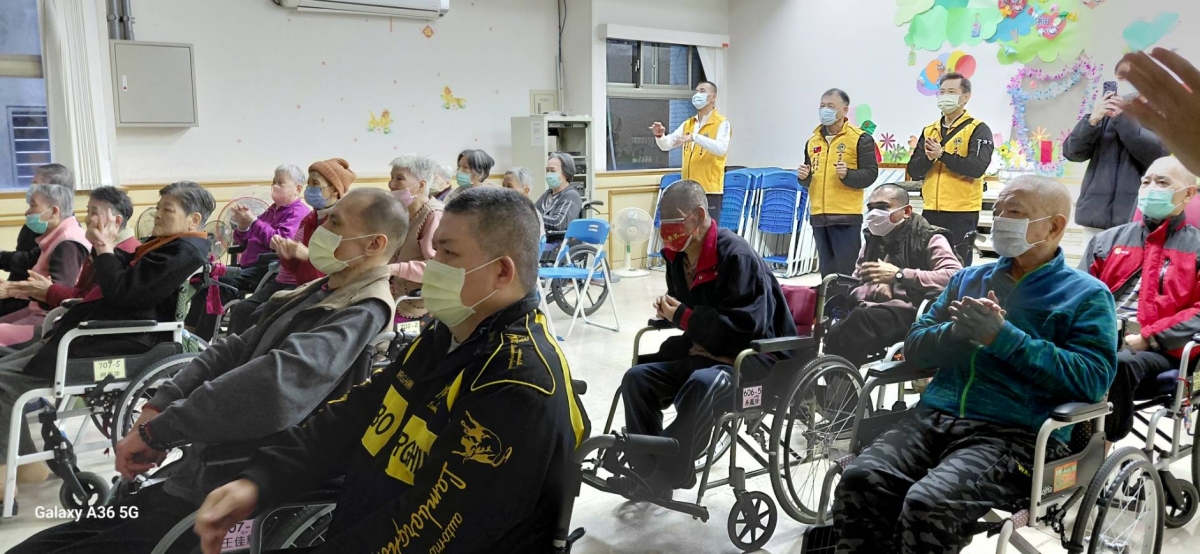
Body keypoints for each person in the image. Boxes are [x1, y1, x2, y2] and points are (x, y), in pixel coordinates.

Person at [9, 189, 405, 554]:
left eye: (335, 222)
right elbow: (231, 350)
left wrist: (162, 430)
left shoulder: (363, 311)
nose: (320, 228)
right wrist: (158, 407)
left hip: (237, 478)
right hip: (203, 468)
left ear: (374, 244)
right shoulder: (319, 290)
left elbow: (272, 387)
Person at [193, 187, 587, 554]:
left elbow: (428, 527)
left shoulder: (518, 384)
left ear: (502, 271)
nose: (432, 266)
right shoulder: (446, 336)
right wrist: (261, 479)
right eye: (436, 250)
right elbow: (357, 413)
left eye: (448, 254)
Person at [832, 175, 1117, 554]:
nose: (999, 220)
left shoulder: (1085, 295)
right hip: (934, 418)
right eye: (997, 211)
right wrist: (956, 333)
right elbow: (915, 346)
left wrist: (1003, 338)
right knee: (861, 479)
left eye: (1014, 212)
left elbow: (1093, 379)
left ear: (1054, 226)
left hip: (1017, 436)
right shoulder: (968, 279)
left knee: (929, 503)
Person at [0, 182, 213, 500]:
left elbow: (124, 294)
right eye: (158, 207)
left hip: (119, 342)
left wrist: (104, 249)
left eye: (167, 209)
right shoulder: (165, 247)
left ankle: (9, 479)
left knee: (3, 384)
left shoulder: (182, 252)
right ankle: (27, 465)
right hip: (96, 333)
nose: (157, 214)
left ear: (193, 220)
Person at [616, 180, 797, 495]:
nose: (665, 227)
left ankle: (670, 472)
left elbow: (747, 326)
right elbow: (689, 311)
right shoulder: (677, 257)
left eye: (673, 218)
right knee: (637, 379)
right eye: (662, 218)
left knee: (703, 383)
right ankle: (644, 470)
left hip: (754, 358)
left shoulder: (737, 256)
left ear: (698, 216)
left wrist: (684, 317)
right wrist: (671, 311)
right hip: (706, 352)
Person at [1080, 156, 1199, 443]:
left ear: (1188, 194)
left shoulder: (1196, 249)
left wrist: (1150, 337)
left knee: (1118, 363)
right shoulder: (1107, 240)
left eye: (1162, 182)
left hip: (1162, 351)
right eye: (1146, 182)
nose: (1150, 188)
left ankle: (1099, 446)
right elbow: (1077, 294)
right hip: (1100, 337)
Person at [822, 184, 962, 368]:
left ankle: (841, 382)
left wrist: (899, 276)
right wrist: (872, 290)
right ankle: (834, 382)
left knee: (858, 323)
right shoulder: (873, 240)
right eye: (871, 208)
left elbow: (955, 276)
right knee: (831, 324)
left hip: (914, 310)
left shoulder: (929, 237)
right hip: (872, 308)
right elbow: (857, 281)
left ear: (906, 211)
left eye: (882, 207)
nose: (874, 214)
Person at [227, 158, 355, 336]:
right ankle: (231, 351)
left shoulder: (340, 224)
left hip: (315, 288)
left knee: (261, 313)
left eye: (315, 184)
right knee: (243, 308)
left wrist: (307, 255)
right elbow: (292, 266)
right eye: (310, 183)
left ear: (334, 190)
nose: (310, 188)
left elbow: (337, 267)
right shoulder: (309, 218)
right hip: (291, 281)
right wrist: (286, 253)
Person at [2, 187, 139, 347]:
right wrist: (22, 289)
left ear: (116, 221)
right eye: (88, 211)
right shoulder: (101, 247)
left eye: (94, 213)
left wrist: (44, 291)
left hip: (71, 328)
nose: (87, 219)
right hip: (61, 320)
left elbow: (89, 302)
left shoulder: (119, 252)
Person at [188, 165, 311, 340]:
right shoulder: (272, 210)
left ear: (297, 189)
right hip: (247, 266)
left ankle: (202, 338)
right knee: (206, 277)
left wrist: (253, 221)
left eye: (280, 183)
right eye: (273, 181)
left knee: (220, 283)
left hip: (266, 268)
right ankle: (190, 331)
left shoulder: (298, 212)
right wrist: (243, 226)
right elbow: (243, 240)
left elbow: (281, 241)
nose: (274, 186)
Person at [1064, 62, 1168, 244]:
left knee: (1129, 262)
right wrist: (1092, 120)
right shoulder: (1106, 113)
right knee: (1092, 262)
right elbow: (1072, 153)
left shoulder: (1159, 114)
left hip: (1136, 217)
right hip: (1095, 214)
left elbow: (1156, 155)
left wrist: (1122, 118)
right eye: (1121, 77)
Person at [906, 72, 995, 266]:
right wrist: (929, 158)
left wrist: (942, 155)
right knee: (927, 263)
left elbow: (976, 168)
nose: (945, 96)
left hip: (962, 212)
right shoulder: (930, 130)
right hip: (931, 209)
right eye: (942, 92)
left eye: (951, 92)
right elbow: (914, 170)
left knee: (957, 264)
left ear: (965, 97)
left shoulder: (978, 129)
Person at [797, 88, 880, 277]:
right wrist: (803, 177)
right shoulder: (812, 142)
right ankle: (827, 297)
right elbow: (810, 179)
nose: (824, 110)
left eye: (830, 106)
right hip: (819, 216)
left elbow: (870, 174)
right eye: (822, 106)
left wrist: (848, 175)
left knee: (847, 272)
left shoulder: (860, 139)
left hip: (845, 217)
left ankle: (849, 298)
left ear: (844, 110)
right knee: (827, 272)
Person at [0, 184, 90, 346]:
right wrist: (11, 288)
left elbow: (58, 295)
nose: (27, 212)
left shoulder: (68, 243)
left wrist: (12, 289)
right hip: (38, 311)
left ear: (54, 211)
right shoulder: (57, 237)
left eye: (32, 205)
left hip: (51, 321)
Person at [0, 164, 75, 318]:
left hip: (36, 306)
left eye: (36, 185)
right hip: (23, 295)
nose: (31, 190)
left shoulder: (68, 238)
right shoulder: (38, 222)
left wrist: (11, 288)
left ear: (54, 191)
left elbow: (31, 264)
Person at [651, 81, 731, 223]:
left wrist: (695, 137)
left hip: (709, 191)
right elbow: (667, 145)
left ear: (713, 97)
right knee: (689, 232)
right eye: (696, 91)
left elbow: (721, 148)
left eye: (702, 91)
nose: (697, 95)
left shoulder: (722, 123)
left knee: (707, 232)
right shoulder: (688, 123)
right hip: (688, 191)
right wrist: (660, 136)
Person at [1119, 48, 1200, 177]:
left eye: (1133, 74)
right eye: (1123, 77)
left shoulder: (1179, 109)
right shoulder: (1116, 112)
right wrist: (1092, 122)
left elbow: (1158, 150)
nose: (1131, 81)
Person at [387, 154, 444, 319]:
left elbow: (439, 268)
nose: (391, 184)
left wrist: (393, 269)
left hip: (416, 306)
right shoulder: (401, 212)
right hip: (393, 297)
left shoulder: (434, 215)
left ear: (421, 185)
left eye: (399, 178)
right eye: (391, 177)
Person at [535, 152, 582, 233]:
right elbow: (533, 211)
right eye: (547, 170)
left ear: (566, 173)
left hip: (559, 239)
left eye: (553, 171)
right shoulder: (547, 194)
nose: (549, 174)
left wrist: (532, 217)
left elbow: (558, 223)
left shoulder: (571, 196)